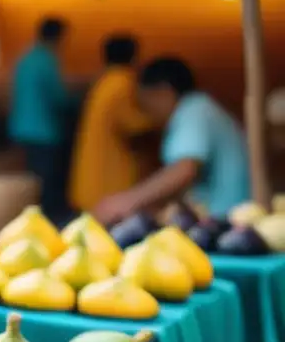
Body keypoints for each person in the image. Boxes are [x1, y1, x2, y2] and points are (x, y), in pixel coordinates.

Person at [94, 57, 250, 224]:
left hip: (228, 221)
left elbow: (185, 168)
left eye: (144, 104)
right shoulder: (201, 108)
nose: (146, 114)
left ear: (163, 93)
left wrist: (127, 201)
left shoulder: (194, 111)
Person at [68, 35, 157, 213]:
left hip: (92, 179)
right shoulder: (123, 82)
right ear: (133, 57)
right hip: (107, 185)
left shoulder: (104, 81)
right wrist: (159, 119)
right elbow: (133, 126)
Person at [8, 17, 79, 225]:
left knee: (32, 183)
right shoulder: (48, 60)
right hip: (44, 131)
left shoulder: (26, 58)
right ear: (58, 37)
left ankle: (32, 224)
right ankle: (47, 226)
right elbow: (59, 97)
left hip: (21, 129)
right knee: (47, 185)